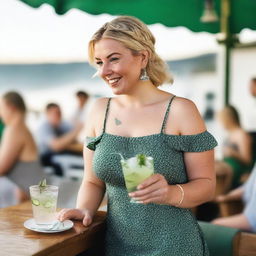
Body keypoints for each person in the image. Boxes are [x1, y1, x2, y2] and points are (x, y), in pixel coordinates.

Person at [58, 16, 217, 256]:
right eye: (99, 62)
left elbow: (206, 185)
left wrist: (170, 193)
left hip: (176, 247)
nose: (104, 71)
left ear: (142, 57)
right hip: (116, 247)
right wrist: (85, 209)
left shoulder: (181, 110)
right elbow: (92, 181)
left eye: (113, 59)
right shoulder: (99, 111)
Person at [0, 91, 44, 203]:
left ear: (10, 107)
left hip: (25, 194)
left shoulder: (14, 129)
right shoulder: (23, 128)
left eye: (1, 108)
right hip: (33, 189)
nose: (1, 113)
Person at [36, 103, 83, 176]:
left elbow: (75, 142)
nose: (59, 116)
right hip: (45, 160)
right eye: (56, 113)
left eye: (60, 113)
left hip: (59, 157)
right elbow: (56, 146)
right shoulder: (44, 127)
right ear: (47, 114)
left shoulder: (63, 125)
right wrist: (76, 130)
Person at [215, 105, 252, 190]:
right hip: (227, 165)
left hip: (237, 169)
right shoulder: (230, 134)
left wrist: (233, 153)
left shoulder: (241, 134)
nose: (221, 123)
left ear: (229, 119)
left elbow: (247, 160)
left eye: (221, 120)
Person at [212, 163, 256, 232]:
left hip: (251, 223)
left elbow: (253, 220)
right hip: (248, 217)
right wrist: (226, 197)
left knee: (213, 228)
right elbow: (246, 188)